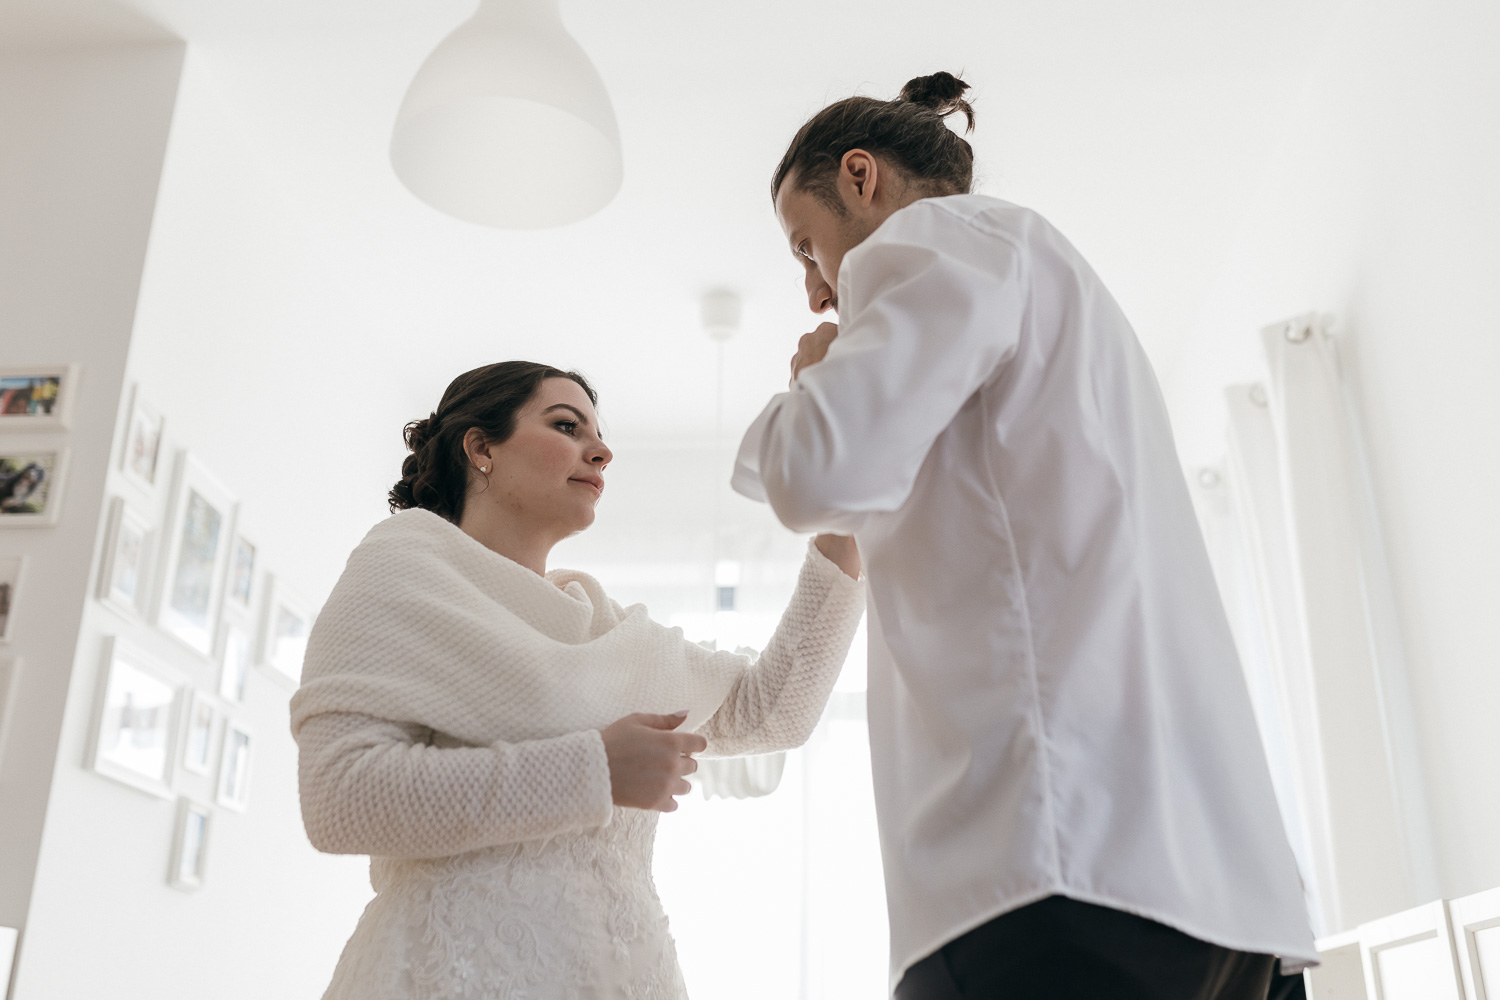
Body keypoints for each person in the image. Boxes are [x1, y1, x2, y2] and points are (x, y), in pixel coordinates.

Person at [732, 72, 1318, 999]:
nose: (814, 292)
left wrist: (810, 381)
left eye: (807, 247)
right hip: (1223, 891)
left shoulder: (935, 238)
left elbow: (819, 473)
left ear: (859, 178)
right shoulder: (1066, 298)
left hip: (1054, 873)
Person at [290, 361, 864, 999]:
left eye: (596, 432)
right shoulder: (403, 567)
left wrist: (846, 514)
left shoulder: (608, 630)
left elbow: (771, 711)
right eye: (567, 425)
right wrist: (594, 771)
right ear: (480, 448)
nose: (602, 450)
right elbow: (339, 798)